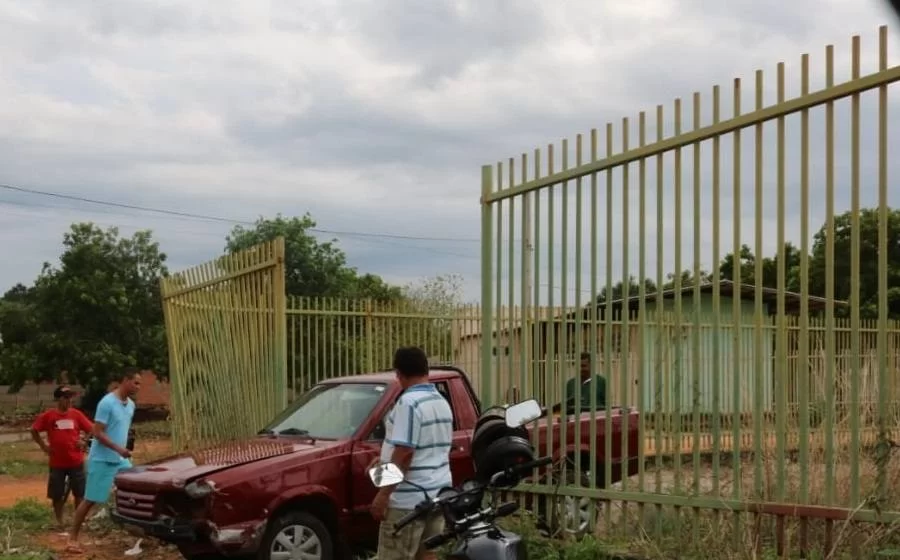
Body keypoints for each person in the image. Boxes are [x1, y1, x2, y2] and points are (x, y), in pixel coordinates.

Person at [370, 347, 453, 560]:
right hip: (437, 494)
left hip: (408, 502)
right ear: (426, 369)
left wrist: (383, 495)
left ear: (399, 374)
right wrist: (385, 460)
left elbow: (406, 453)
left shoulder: (408, 403)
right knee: (428, 555)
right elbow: (427, 448)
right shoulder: (440, 401)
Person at [66, 368, 141, 554]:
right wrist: (118, 448)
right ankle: (72, 538)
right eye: (136, 383)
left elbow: (121, 429)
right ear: (125, 380)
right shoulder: (107, 403)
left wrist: (125, 446)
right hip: (102, 459)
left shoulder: (131, 405)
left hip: (120, 460)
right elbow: (97, 432)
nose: (138, 387)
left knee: (136, 488)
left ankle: (138, 532)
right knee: (91, 499)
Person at [30, 385, 93, 529]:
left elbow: (92, 428)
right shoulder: (49, 416)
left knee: (79, 493)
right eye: (65, 397)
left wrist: (84, 441)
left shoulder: (76, 414)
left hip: (76, 461)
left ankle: (78, 520)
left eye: (70, 398)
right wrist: (43, 446)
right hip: (57, 462)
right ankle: (60, 521)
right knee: (57, 494)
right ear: (57, 399)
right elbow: (34, 430)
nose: (69, 401)